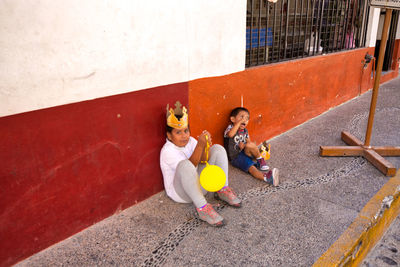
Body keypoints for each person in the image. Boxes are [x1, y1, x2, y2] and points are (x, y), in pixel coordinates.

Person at [160, 101, 241, 227]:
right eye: (178, 132)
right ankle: (203, 208)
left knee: (218, 149)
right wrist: (200, 145)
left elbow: (203, 161)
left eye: (186, 131)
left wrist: (206, 146)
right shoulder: (167, 151)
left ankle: (222, 189)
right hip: (182, 194)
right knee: (185, 165)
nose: (184, 136)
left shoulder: (191, 140)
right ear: (169, 136)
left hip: (198, 186)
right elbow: (190, 166)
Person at [224, 107, 279, 186]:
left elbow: (249, 142)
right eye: (241, 117)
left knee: (250, 144)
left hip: (244, 152)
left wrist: (246, 146)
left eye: (247, 118)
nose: (244, 120)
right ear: (233, 119)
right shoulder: (230, 128)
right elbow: (230, 134)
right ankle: (267, 178)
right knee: (251, 167)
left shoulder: (245, 131)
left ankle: (260, 160)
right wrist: (238, 123)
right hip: (236, 157)